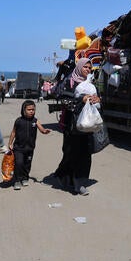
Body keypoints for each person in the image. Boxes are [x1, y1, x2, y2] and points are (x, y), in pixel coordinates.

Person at [52, 58, 99, 196]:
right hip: (71, 124)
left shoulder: (90, 84)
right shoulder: (69, 82)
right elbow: (62, 98)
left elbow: (98, 98)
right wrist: (80, 99)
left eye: (90, 68)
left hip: (87, 124)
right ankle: (62, 174)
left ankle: (79, 183)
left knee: (85, 154)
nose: (88, 70)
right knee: (70, 152)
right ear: (79, 67)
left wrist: (97, 99)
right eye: (85, 67)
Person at [7, 100, 52, 190]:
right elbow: (13, 132)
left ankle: (25, 178)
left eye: (33, 109)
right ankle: (17, 181)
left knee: (27, 164)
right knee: (19, 163)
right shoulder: (18, 121)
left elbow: (42, 129)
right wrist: (10, 143)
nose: (31, 111)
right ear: (24, 110)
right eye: (29, 109)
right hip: (18, 148)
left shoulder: (35, 121)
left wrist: (45, 131)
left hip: (30, 148)